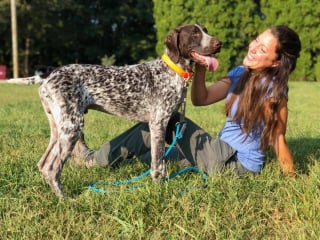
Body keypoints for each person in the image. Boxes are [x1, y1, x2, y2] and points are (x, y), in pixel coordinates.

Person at [71, 25, 301, 177]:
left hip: (236, 165)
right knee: (152, 153)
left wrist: (293, 178)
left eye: (262, 49)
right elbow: (202, 99)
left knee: (166, 121)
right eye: (256, 40)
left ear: (275, 63)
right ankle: (104, 160)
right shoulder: (241, 73)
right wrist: (201, 66)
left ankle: (92, 160)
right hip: (218, 152)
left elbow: (277, 137)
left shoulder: (273, 92)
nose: (253, 48)